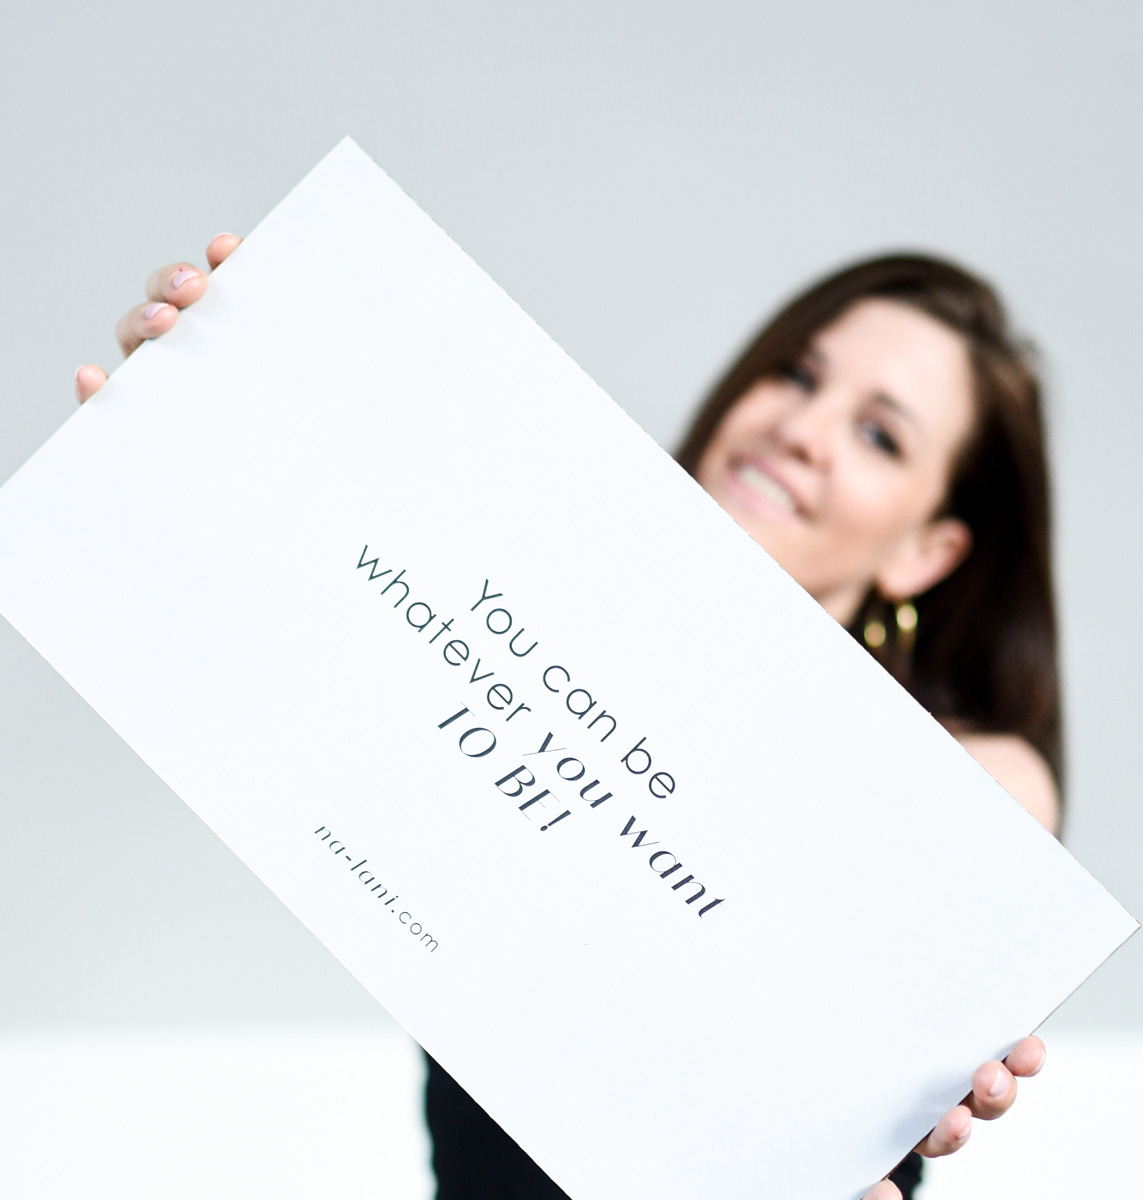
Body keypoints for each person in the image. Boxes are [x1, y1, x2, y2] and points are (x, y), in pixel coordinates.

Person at [75, 238, 1059, 1200]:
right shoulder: (516, 655)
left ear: (927, 552)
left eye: (880, 435)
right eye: (798, 375)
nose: (803, 429)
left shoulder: (981, 790)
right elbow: (299, 635)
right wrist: (201, 421)